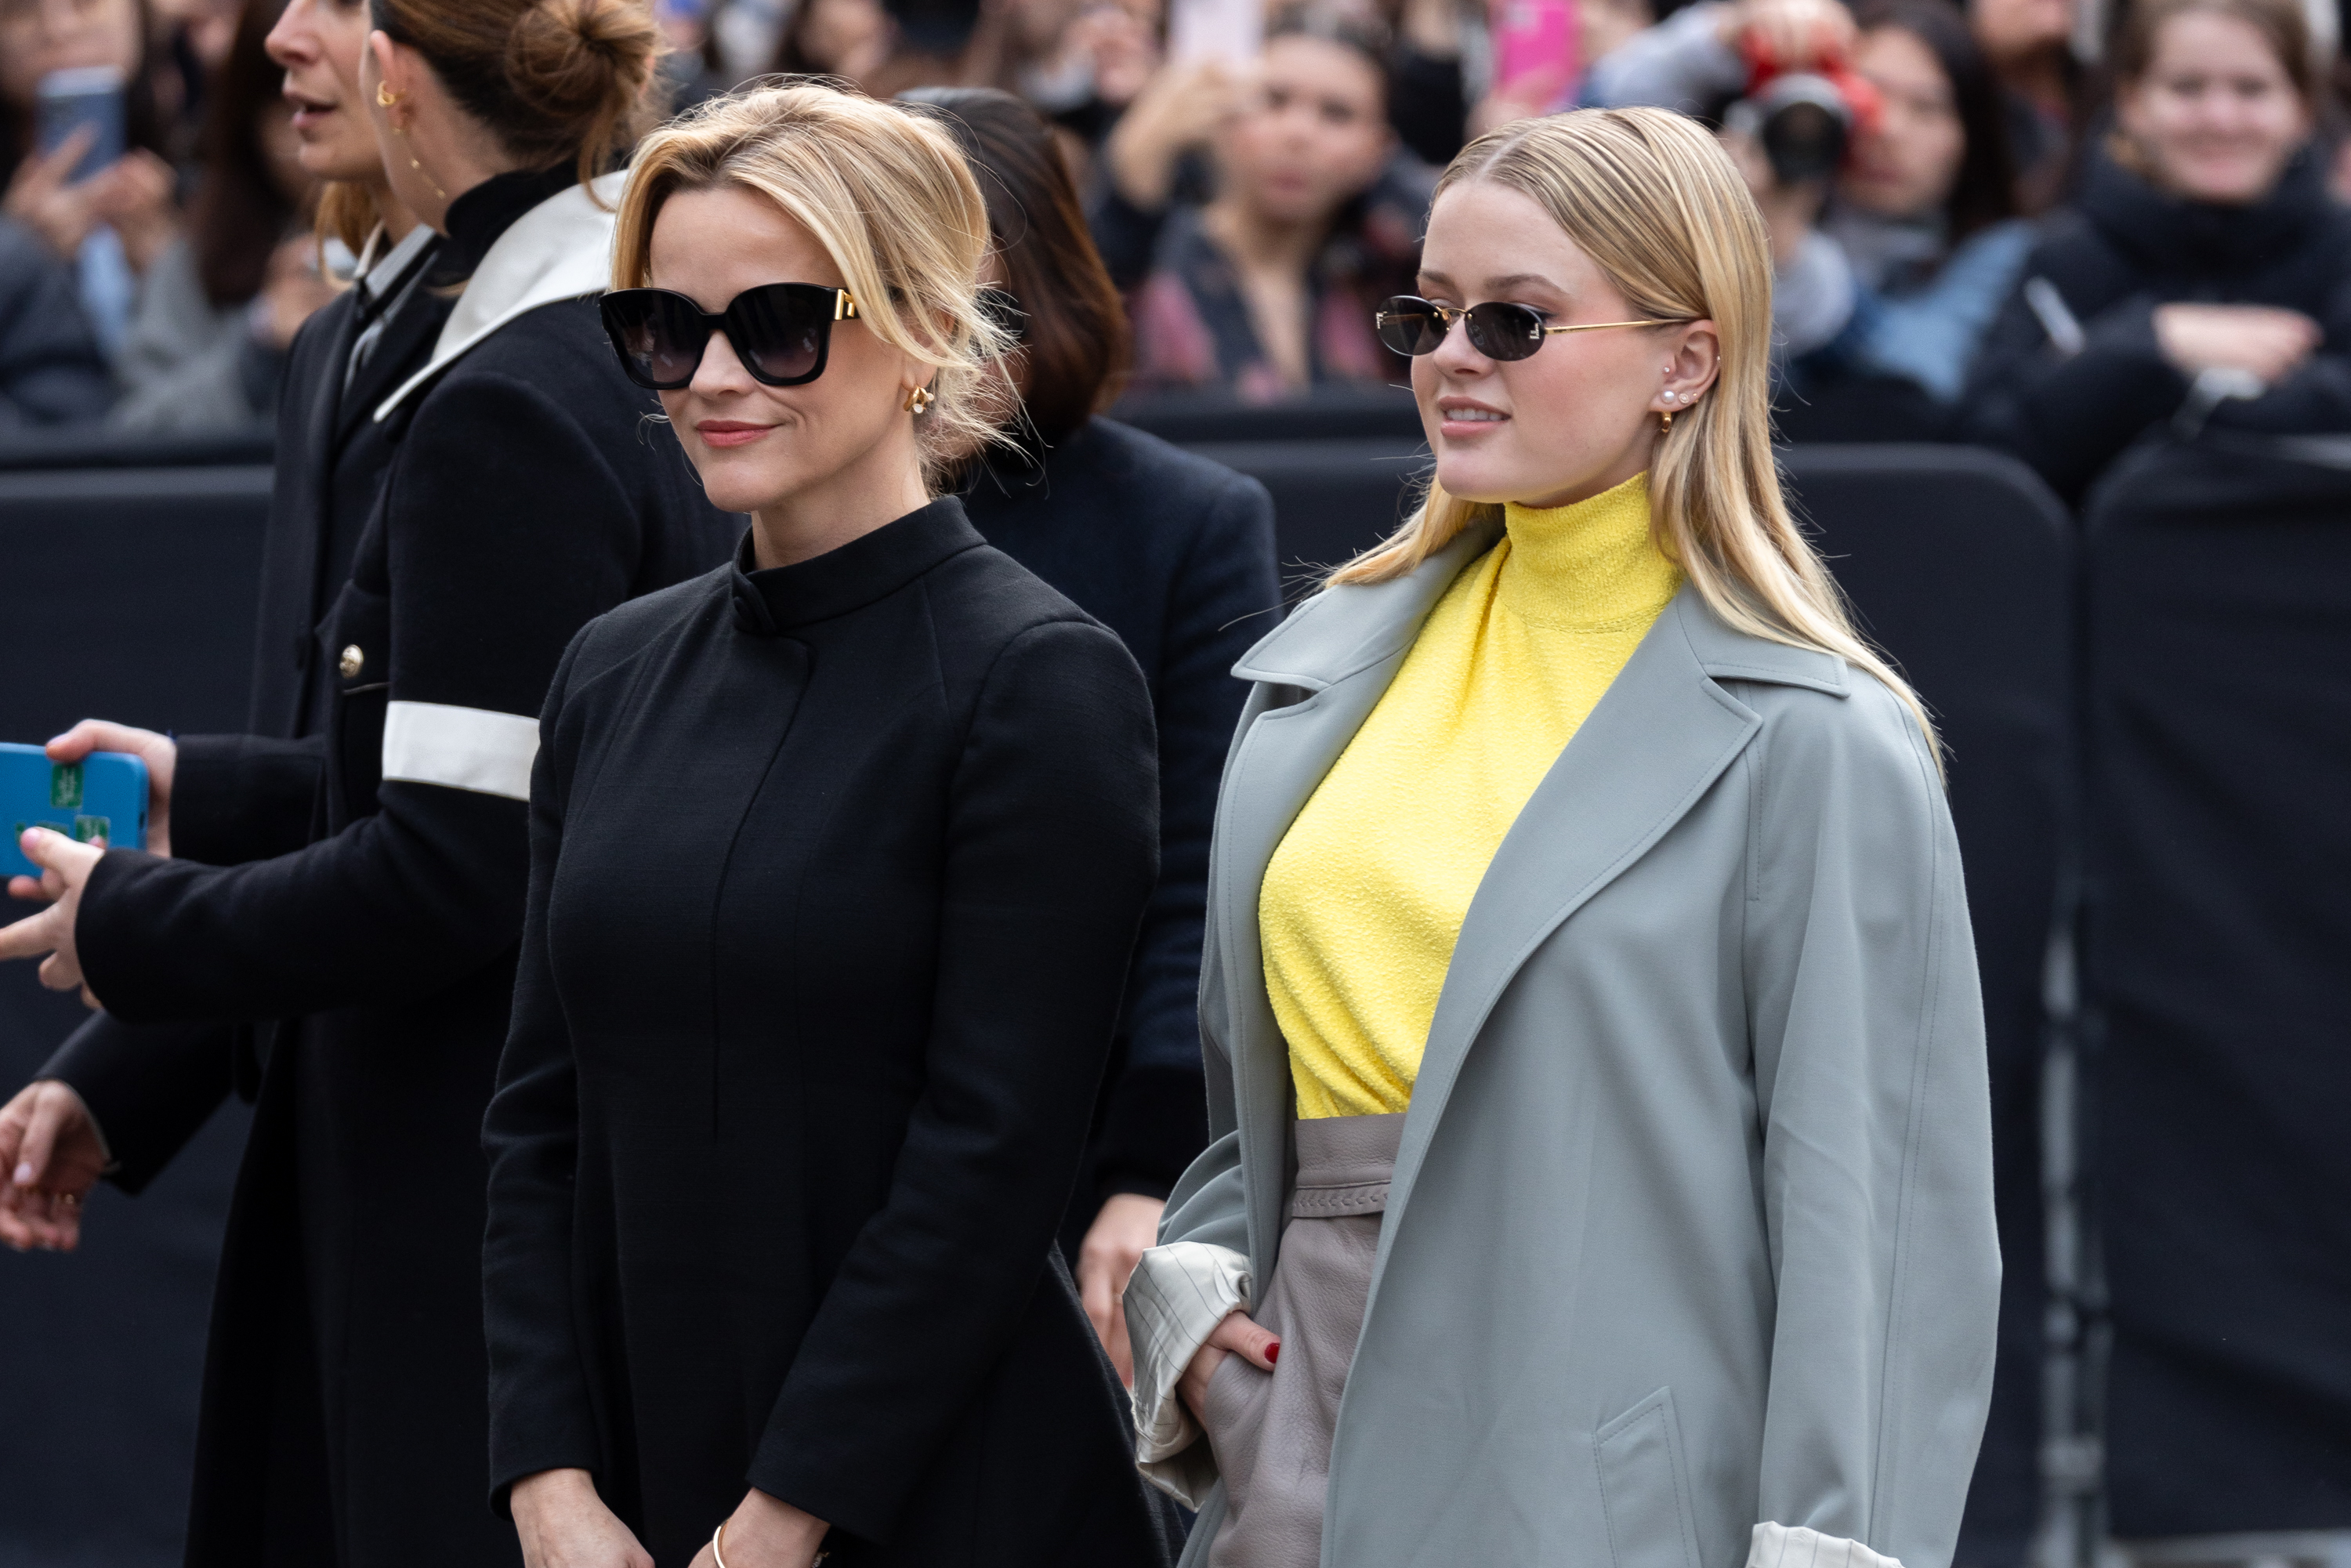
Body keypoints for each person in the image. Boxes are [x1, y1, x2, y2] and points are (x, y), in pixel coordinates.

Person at [1123, 106, 1998, 1568]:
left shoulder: (1819, 737)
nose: (1451, 357)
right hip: (1299, 1428)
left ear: (1687, 360)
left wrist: (1838, 1539)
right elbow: (1257, 1063)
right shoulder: (1329, 667)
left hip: (1609, 1476)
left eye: (1516, 322)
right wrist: (1199, 1310)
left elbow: (1880, 1236)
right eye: (1428, 313)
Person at [0, 2, 734, 1564]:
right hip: (430, 1172)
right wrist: (200, 809)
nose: (273, 40)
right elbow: (426, 777)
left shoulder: (523, 385)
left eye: (326, 3)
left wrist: (135, 923)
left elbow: (461, 863)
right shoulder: (389, 333)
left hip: (478, 1203)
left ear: (400, 63)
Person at [480, 81, 1174, 1568]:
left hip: (933, 1492)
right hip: (626, 1495)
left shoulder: (1039, 679)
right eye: (665, 330)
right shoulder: (611, 670)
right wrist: (546, 1480)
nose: (712, 377)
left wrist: (783, 1520)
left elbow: (987, 1161)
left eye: (780, 322)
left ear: (924, 327)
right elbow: (537, 1117)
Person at [905, 85, 1282, 1382]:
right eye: (902, 307)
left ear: (1056, 297)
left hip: (1072, 1173)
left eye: (985, 313)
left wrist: (1147, 1171)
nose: (945, 359)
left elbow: (1205, 877)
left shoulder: (1182, 521)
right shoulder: (749, 507)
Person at [1965, 0, 2351, 502]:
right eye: (2186, 87)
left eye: (2252, 89)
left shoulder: (2342, 255)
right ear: (2131, 102)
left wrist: (2175, 399)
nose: (2219, 117)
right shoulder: (2065, 261)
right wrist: (2151, 343)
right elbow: (1987, 453)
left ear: (2302, 108)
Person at [1093, 2, 1428, 402]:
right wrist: (1136, 163)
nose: (1297, 133)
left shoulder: (1384, 278)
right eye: (1272, 99)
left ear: (1380, 149)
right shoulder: (1147, 260)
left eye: (1337, 114)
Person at [110, 0, 333, 434]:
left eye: (350, 102)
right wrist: (262, 341)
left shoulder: (444, 240)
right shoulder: (200, 255)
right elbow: (132, 435)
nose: (313, 133)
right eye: (295, 109)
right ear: (249, 123)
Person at [1, 0, 184, 359]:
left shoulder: (213, 172)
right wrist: (15, 259)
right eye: (19, 10)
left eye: (86, 2)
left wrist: (177, 274)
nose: (60, 29)